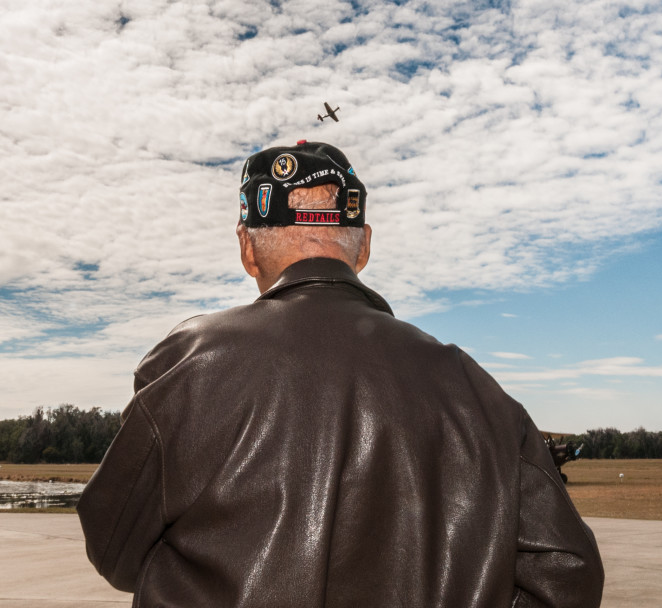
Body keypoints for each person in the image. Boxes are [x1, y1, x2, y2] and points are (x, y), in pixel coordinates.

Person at [77, 141, 604, 607]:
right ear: (363, 245)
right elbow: (567, 573)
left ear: (247, 247)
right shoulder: (473, 386)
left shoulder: (188, 362)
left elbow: (116, 549)